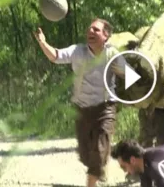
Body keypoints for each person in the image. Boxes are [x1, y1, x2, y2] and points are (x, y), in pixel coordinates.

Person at [33, 18, 127, 187]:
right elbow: (55, 56)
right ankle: (98, 167)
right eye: (89, 29)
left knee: (99, 151)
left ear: (106, 36)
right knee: (85, 155)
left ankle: (94, 176)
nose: (90, 32)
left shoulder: (113, 54)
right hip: (82, 109)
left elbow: (130, 76)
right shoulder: (77, 51)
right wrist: (43, 42)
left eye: (96, 30)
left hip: (105, 108)